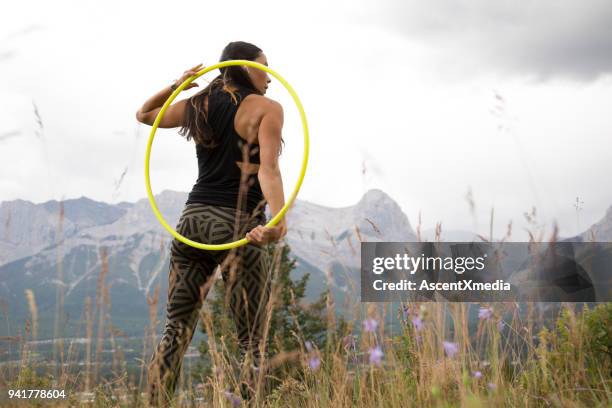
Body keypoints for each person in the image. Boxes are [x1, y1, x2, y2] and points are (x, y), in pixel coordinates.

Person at [135, 40, 287, 406]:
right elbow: (268, 169)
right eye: (264, 68)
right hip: (237, 227)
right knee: (251, 339)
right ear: (244, 67)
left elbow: (144, 115)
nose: (269, 77)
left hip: (192, 221)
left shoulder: (198, 104)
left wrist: (177, 86)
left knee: (176, 328)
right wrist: (279, 222)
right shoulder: (266, 109)